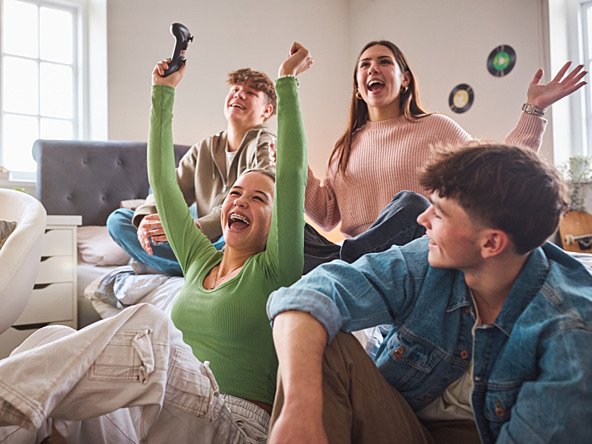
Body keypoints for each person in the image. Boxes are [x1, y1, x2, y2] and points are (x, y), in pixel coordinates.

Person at [0, 42, 312, 443]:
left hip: (234, 422)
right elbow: (163, 185)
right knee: (54, 338)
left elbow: (291, 174)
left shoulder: (276, 269)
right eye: (235, 193)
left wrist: (287, 82)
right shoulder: (199, 261)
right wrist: (162, 93)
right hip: (165, 412)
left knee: (150, 325)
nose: (240, 200)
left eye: (258, 198)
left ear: (277, 220)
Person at [267, 142, 592, 444]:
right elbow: (310, 294)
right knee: (320, 336)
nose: (422, 218)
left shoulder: (569, 334)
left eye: (439, 212)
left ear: (491, 242)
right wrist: (300, 409)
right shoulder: (429, 259)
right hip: (404, 420)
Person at [302, 40, 587, 267]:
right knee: (295, 233)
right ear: (357, 87)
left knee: (412, 205)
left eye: (384, 62)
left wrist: (534, 109)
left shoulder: (435, 127)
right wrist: (291, 161)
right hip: (364, 256)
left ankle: (339, 263)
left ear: (405, 79)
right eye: (365, 65)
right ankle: (345, 261)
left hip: (416, 251)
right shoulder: (345, 148)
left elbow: (499, 166)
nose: (373, 69)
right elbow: (326, 216)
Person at [107, 67, 277, 276]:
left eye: (250, 93)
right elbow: (169, 193)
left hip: (233, 240)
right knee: (118, 220)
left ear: (266, 111)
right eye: (234, 89)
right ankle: (196, 267)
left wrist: (196, 228)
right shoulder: (203, 149)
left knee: (235, 239)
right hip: (197, 243)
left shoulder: (267, 146)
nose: (238, 95)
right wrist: (145, 220)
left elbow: (250, 206)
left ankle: (173, 264)